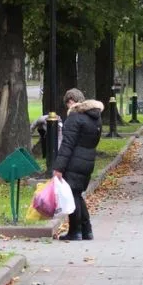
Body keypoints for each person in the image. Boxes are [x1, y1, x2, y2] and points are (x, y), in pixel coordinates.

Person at [53, 89, 103, 241]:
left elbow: (67, 144)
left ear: (72, 101)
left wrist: (59, 167)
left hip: (74, 161)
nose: (69, 106)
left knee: (72, 195)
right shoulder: (95, 118)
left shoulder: (74, 117)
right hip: (88, 161)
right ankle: (87, 230)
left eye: (69, 102)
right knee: (77, 194)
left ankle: (75, 231)